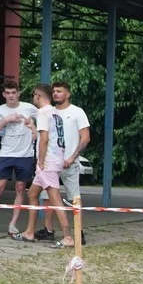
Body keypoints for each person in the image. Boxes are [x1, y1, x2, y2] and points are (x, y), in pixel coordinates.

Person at [13, 84, 73, 247]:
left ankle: (68, 236)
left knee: (55, 199)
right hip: (55, 159)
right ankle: (30, 231)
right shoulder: (55, 113)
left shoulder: (42, 113)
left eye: (34, 95)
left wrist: (40, 161)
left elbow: (44, 139)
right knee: (32, 193)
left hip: (47, 161)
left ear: (38, 96)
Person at [0, 81, 38, 236]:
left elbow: (46, 116)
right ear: (4, 94)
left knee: (20, 188)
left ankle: (13, 224)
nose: (11, 95)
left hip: (25, 155)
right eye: (8, 93)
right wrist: (6, 120)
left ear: (18, 93)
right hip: (6, 153)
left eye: (14, 92)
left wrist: (33, 126)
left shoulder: (28, 108)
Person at [50, 81, 90, 245]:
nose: (55, 94)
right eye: (53, 91)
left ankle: (78, 232)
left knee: (74, 198)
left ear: (68, 94)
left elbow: (85, 137)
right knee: (48, 198)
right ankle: (49, 230)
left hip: (69, 163)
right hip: (51, 163)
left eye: (59, 91)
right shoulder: (49, 112)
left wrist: (72, 157)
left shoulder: (77, 112)